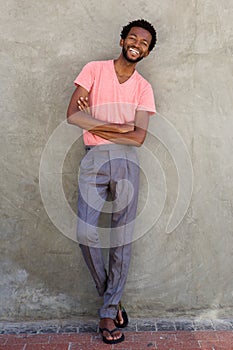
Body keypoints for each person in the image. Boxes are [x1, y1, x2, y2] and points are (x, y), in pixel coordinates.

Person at [67, 19, 157, 344]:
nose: (137, 44)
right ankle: (112, 299)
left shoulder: (143, 88)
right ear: (122, 41)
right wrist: (120, 127)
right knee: (85, 232)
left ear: (147, 51)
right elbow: (73, 115)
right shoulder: (94, 69)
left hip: (126, 163)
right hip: (93, 158)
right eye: (133, 38)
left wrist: (99, 123)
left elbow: (139, 138)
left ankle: (107, 315)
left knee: (121, 238)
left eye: (144, 42)